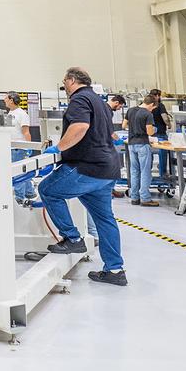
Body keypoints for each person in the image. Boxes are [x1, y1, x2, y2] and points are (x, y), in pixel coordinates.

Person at [39, 66, 127, 286]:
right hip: (107, 169)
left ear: (71, 80)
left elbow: (80, 126)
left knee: (47, 190)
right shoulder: (100, 101)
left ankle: (73, 238)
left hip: (89, 167)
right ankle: (115, 270)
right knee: (105, 219)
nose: (65, 87)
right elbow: (108, 132)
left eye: (64, 82)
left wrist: (59, 148)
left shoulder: (79, 99)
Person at [126, 95, 160, 207]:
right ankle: (145, 198)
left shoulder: (130, 110)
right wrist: (155, 129)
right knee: (145, 171)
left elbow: (123, 124)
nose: (152, 110)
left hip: (131, 144)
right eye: (153, 108)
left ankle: (134, 197)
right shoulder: (147, 114)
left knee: (134, 171)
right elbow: (149, 132)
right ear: (151, 105)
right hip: (142, 144)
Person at [5, 92, 36, 202]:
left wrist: (28, 147)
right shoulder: (10, 113)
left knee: (18, 174)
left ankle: (19, 198)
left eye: (6, 98)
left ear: (11, 100)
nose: (4, 100)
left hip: (19, 148)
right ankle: (30, 193)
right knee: (24, 172)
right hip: (11, 147)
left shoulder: (22, 114)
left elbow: (26, 132)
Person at [149, 88, 171, 180]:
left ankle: (147, 174)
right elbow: (165, 117)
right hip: (160, 134)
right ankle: (163, 174)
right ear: (158, 96)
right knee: (163, 155)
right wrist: (169, 125)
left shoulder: (145, 106)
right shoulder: (160, 105)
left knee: (148, 155)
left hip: (149, 134)